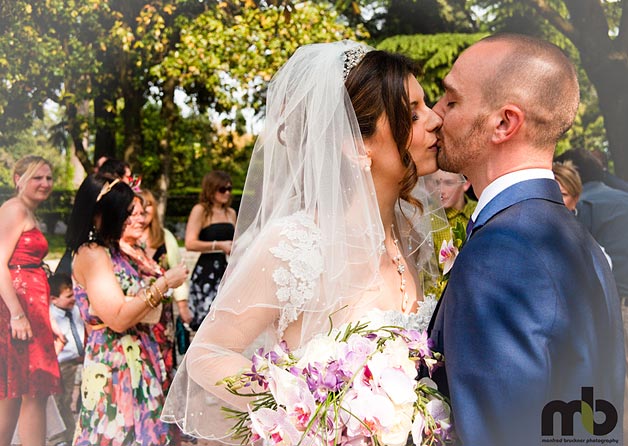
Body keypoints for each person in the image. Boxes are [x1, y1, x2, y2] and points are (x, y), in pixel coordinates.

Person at [162, 40, 444, 441]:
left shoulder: (412, 231)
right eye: (413, 114)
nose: (435, 121)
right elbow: (206, 355)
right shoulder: (296, 243)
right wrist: (315, 408)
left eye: (427, 107)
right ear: (357, 144)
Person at [428, 33, 624, 445]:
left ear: (504, 123)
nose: (435, 114)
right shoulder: (577, 240)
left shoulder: (502, 253)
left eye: (451, 99)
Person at [65, 175, 189, 445]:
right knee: (120, 433)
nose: (133, 219)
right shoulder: (92, 253)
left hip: (140, 355)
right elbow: (118, 318)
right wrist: (165, 283)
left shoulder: (114, 249)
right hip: (114, 361)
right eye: (125, 212)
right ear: (102, 212)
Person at [0, 155, 62, 446]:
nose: (45, 183)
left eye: (48, 178)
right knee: (34, 388)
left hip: (32, 309)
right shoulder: (14, 209)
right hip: (19, 309)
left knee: (16, 390)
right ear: (18, 180)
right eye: (37, 177)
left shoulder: (26, 211)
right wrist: (17, 314)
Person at [139, 189, 192, 361]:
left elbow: (178, 269)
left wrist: (183, 307)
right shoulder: (127, 239)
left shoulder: (165, 236)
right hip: (139, 309)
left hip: (163, 313)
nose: (145, 210)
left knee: (164, 358)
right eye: (140, 205)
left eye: (149, 205)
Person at [184, 171, 237, 330]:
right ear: (211, 189)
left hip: (226, 269)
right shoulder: (200, 210)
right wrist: (218, 245)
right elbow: (190, 243)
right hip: (207, 269)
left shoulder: (231, 213)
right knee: (206, 320)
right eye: (222, 189)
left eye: (229, 189)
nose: (227, 193)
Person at [48, 272, 84, 446]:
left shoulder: (76, 309)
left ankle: (74, 434)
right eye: (69, 296)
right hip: (63, 362)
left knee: (73, 398)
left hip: (81, 358)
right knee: (61, 400)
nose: (73, 298)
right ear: (54, 299)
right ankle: (61, 438)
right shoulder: (51, 316)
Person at [430, 169, 476, 260]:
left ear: (466, 184)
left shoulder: (479, 211)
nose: (441, 190)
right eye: (436, 183)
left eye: (449, 183)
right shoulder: (426, 218)